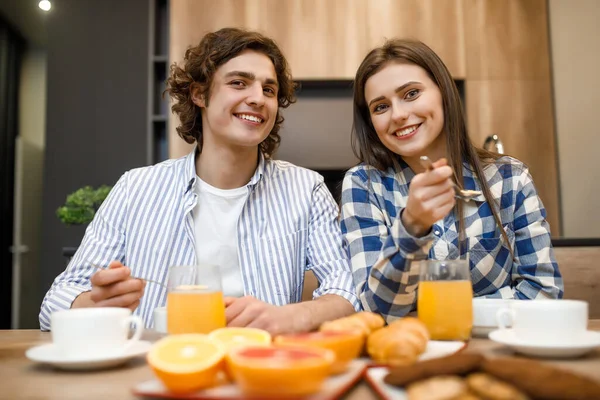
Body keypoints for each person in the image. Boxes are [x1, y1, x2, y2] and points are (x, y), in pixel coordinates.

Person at [40, 28, 359, 334]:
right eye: (239, 83)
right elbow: (55, 303)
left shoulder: (306, 189)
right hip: (159, 369)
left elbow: (346, 285)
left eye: (269, 89)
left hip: (258, 367)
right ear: (199, 94)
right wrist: (95, 303)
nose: (258, 98)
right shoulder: (136, 188)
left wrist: (292, 316)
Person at [340, 38, 563, 322]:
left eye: (411, 94)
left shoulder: (510, 178)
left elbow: (544, 293)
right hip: (411, 357)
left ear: (444, 92)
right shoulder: (363, 186)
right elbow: (377, 311)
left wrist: (444, 315)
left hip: (498, 351)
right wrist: (412, 227)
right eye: (380, 107)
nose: (398, 114)